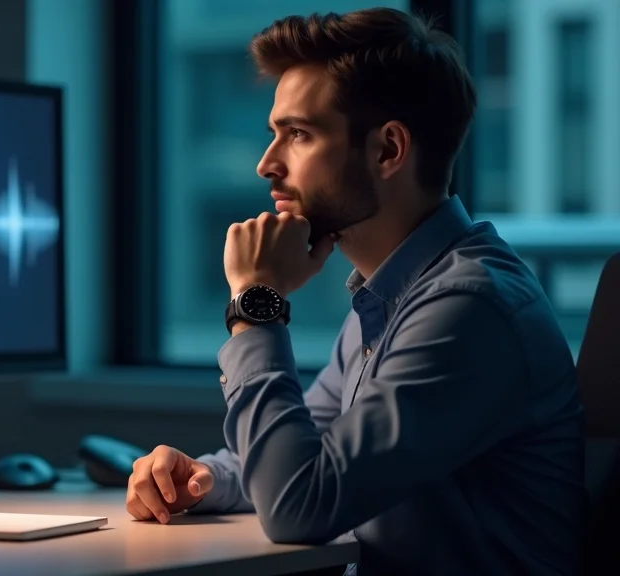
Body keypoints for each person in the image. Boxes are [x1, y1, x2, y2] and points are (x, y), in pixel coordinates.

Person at [125, 7, 587, 575]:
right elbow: (310, 458)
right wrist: (203, 478)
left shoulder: (469, 308)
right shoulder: (391, 294)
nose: (266, 165)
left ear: (389, 150)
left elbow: (299, 504)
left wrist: (255, 303)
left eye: (298, 134)